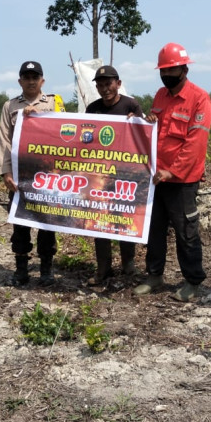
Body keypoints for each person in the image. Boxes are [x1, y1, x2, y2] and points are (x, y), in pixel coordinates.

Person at [133, 43, 211, 302]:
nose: (167, 74)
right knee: (154, 230)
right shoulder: (160, 96)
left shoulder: (199, 99)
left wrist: (172, 171)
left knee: (186, 232)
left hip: (182, 181)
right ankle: (155, 276)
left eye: (172, 69)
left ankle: (192, 281)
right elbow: (156, 132)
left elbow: (195, 143)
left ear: (184, 69)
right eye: (163, 70)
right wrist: (148, 124)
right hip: (156, 178)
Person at [0, 61, 59, 286]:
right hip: (20, 177)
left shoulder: (54, 103)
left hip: (48, 177)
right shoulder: (10, 106)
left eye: (35, 77)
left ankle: (46, 269)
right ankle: (21, 269)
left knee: (47, 224)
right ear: (20, 81)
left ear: (42, 80)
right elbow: (4, 140)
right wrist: (6, 173)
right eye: (27, 77)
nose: (31, 81)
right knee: (20, 225)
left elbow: (65, 134)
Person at [84, 65, 143, 285]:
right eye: (100, 85)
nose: (104, 88)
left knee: (124, 218)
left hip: (126, 176)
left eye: (108, 84)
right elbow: (85, 139)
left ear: (118, 83)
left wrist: (137, 121)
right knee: (100, 221)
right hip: (100, 175)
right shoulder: (93, 108)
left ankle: (129, 267)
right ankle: (103, 269)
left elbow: (142, 137)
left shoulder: (131, 105)